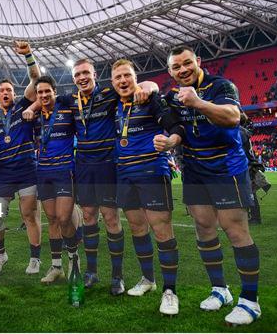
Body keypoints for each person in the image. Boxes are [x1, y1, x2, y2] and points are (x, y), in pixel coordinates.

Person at [24, 59, 155, 295]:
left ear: (95, 74)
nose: (82, 77)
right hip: (83, 165)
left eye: (86, 73)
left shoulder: (109, 93)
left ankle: (117, 277)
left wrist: (150, 87)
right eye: (77, 74)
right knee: (88, 216)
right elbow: (44, 98)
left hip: (106, 165)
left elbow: (142, 84)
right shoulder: (69, 100)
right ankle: (91, 272)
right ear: (73, 79)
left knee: (111, 218)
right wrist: (32, 108)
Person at [166, 45, 260, 325]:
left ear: (198, 61)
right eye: (176, 67)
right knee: (204, 228)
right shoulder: (172, 96)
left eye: (187, 63)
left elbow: (232, 117)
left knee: (235, 230)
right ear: (170, 72)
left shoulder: (221, 85)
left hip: (225, 168)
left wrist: (197, 102)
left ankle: (250, 301)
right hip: (194, 169)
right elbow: (175, 126)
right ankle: (220, 290)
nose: (183, 70)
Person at [111, 59, 185, 315]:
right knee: (137, 228)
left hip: (152, 172)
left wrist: (171, 141)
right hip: (125, 176)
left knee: (162, 230)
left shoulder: (151, 99)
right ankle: (148, 280)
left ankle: (170, 291)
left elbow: (175, 127)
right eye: (117, 77)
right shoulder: (113, 104)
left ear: (134, 77)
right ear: (112, 83)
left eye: (127, 76)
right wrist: (148, 84)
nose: (122, 81)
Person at [0, 41, 42, 277]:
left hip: (27, 169)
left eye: (9, 90)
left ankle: (35, 259)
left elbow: (36, 79)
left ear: (14, 93)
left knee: (29, 215)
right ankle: (1, 255)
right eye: (2, 91)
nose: (6, 93)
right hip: (3, 172)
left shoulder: (23, 106)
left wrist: (28, 55)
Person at [32, 75, 79, 284]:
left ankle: (73, 259)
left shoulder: (67, 109)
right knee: (51, 219)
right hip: (43, 172)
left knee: (63, 218)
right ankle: (56, 266)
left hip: (64, 170)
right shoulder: (33, 115)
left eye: (46, 91)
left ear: (54, 91)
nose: (43, 95)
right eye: (39, 92)